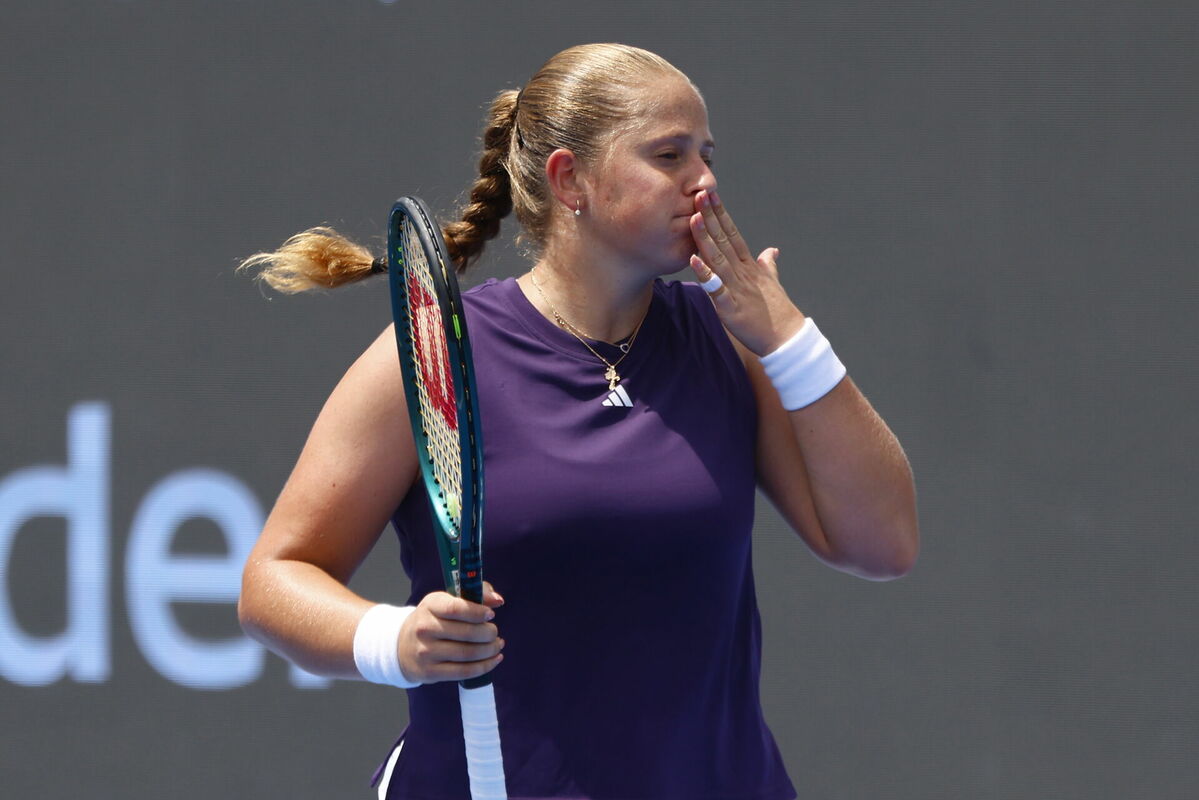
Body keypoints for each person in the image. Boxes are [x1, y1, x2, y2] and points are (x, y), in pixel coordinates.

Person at [238, 43, 918, 800]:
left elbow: (881, 543)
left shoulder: (737, 341)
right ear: (571, 181)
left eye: (706, 154)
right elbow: (275, 579)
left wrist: (790, 337)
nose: (704, 182)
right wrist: (394, 640)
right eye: (668, 154)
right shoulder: (433, 356)